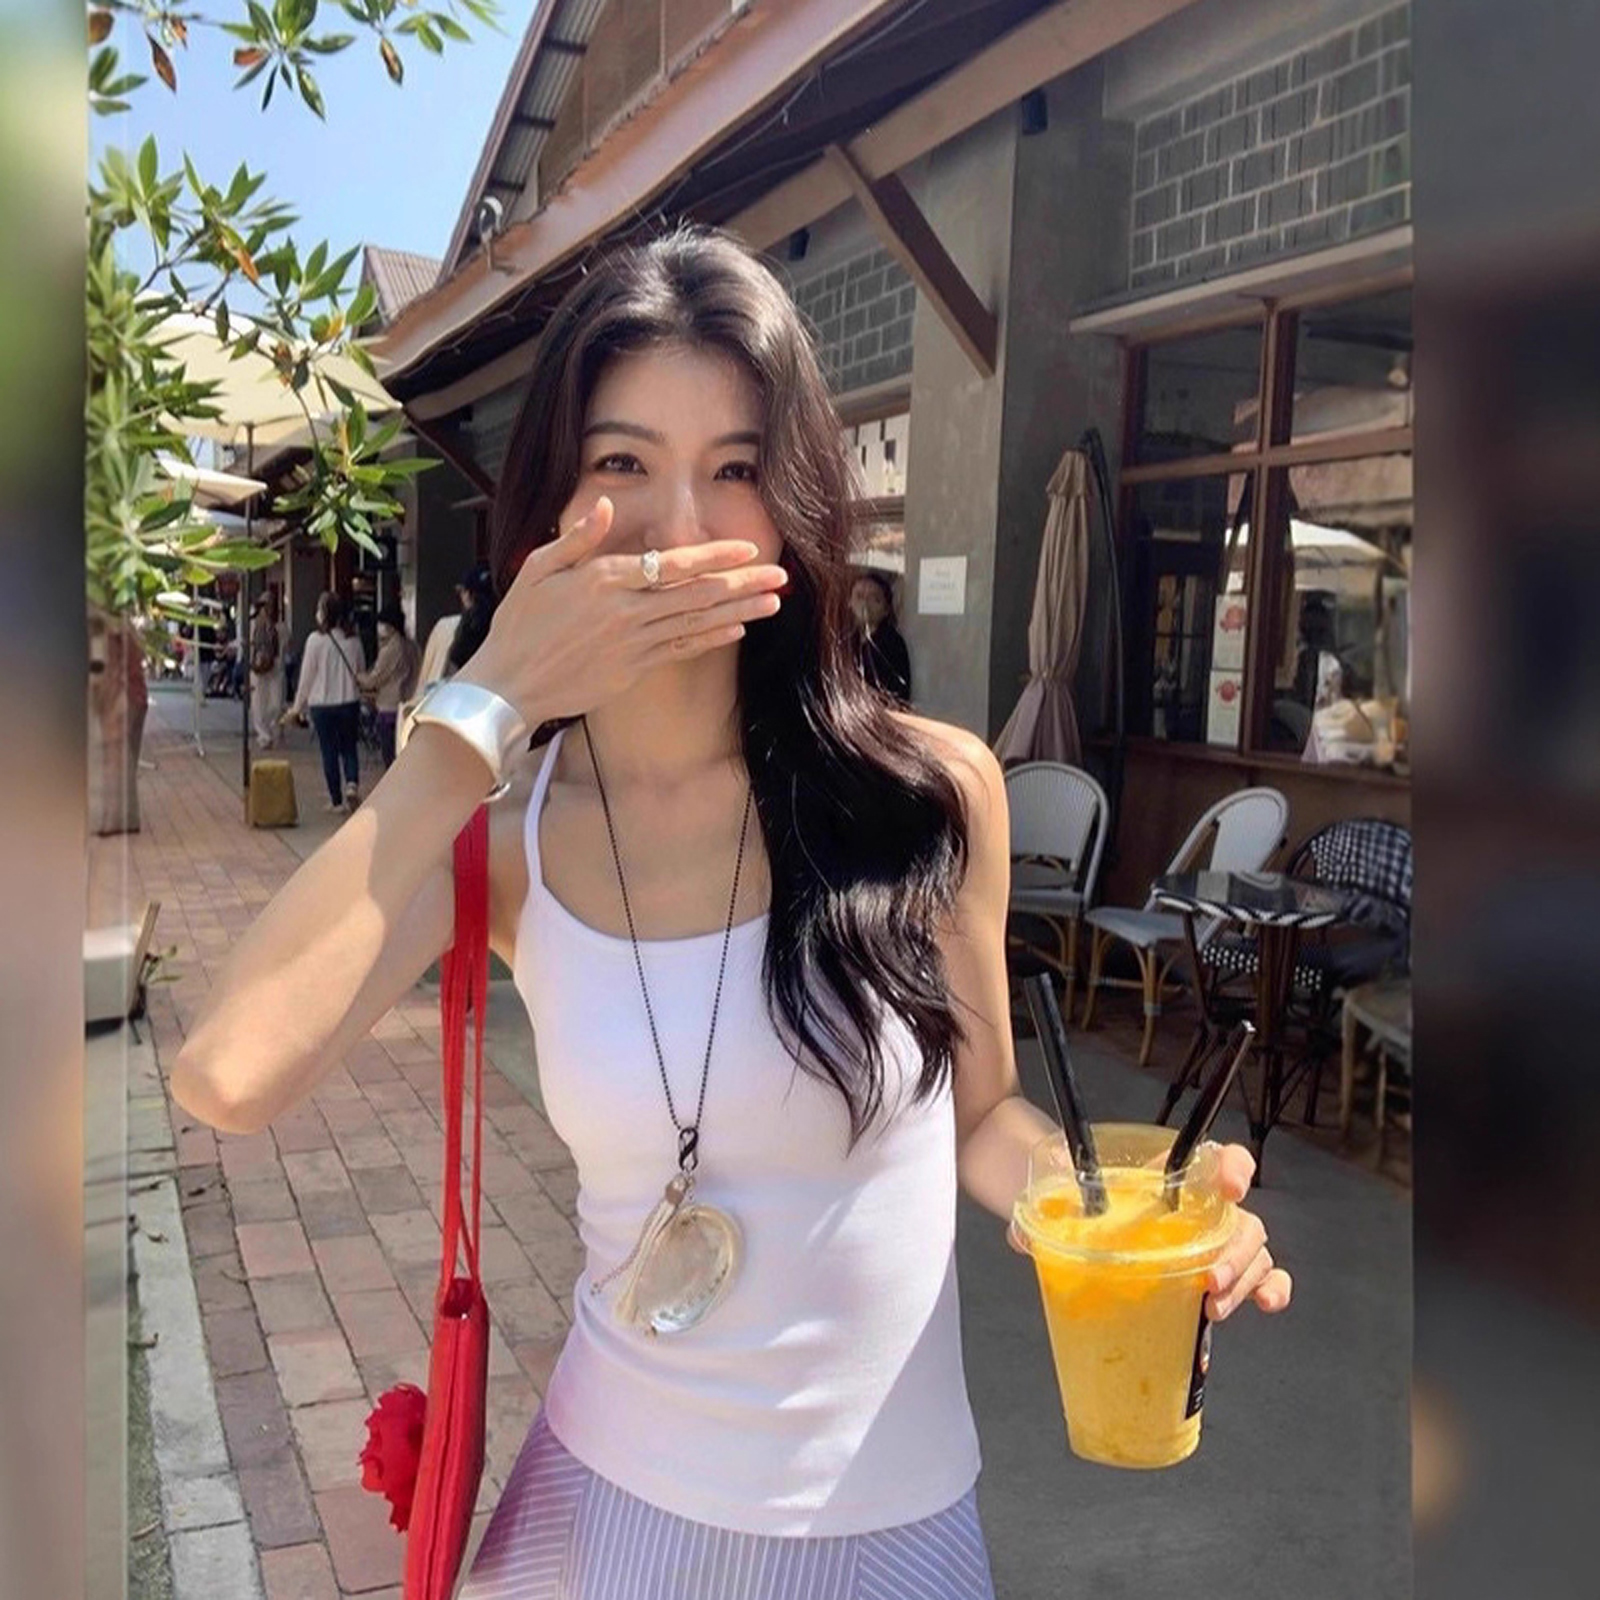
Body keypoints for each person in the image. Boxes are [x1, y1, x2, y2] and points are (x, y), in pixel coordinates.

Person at [172, 228, 1289, 1599]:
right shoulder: (506, 842)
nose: (684, 527)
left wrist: (1127, 1215)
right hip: (602, 1519)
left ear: (793, 503)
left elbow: (984, 1116)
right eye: (622, 464)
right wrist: (481, 713)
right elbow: (226, 1075)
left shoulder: (932, 793)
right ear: (551, 507)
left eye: (738, 469)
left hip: (893, 1537)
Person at [282, 590, 365, 813]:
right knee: (349, 747)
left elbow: (307, 678)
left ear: (324, 613)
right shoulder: (354, 641)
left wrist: (296, 708)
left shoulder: (315, 641)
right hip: (349, 702)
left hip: (322, 706)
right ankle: (352, 784)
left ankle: (336, 801)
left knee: (329, 751)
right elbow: (361, 672)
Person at [417, 563, 499, 693]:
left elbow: (446, 669)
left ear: (467, 594)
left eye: (461, 592)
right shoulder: (505, 623)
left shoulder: (449, 627)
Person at [358, 599, 421, 768]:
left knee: (390, 760)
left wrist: (358, 677)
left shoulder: (391, 649)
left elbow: (375, 679)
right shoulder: (412, 646)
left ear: (390, 626)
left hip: (389, 708)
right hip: (409, 706)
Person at [851, 568, 912, 704]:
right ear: (849, 602)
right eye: (859, 596)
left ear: (886, 609)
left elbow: (897, 696)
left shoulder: (892, 644)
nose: (865, 603)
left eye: (875, 599)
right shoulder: (843, 641)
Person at [248, 592, 289, 750]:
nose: (267, 610)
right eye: (264, 606)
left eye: (270, 606)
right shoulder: (253, 625)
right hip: (257, 668)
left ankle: (273, 728)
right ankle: (264, 736)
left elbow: (286, 643)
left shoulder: (280, 627)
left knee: (276, 703)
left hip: (275, 668)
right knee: (258, 702)